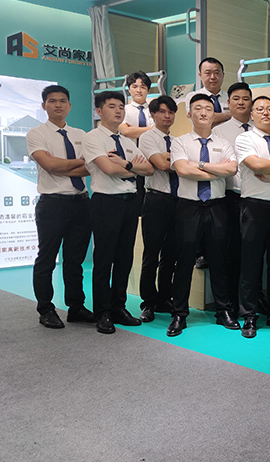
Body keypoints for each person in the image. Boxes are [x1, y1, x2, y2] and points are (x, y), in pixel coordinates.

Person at [166, 93, 238, 337]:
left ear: (214, 114)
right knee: (184, 261)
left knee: (219, 260)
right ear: (189, 114)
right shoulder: (180, 142)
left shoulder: (224, 143)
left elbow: (231, 169)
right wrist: (216, 170)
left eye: (208, 108)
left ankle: (223, 311)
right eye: (198, 108)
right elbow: (182, 170)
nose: (204, 112)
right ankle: (179, 313)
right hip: (188, 207)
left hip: (217, 206)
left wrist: (201, 165)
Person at [82, 91, 154, 334]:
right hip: (106, 202)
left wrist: (127, 164)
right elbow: (108, 169)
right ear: (99, 111)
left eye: (121, 107)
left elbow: (149, 169)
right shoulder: (93, 138)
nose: (118, 110)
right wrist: (134, 170)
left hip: (130, 202)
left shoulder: (127, 142)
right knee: (104, 259)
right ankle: (102, 312)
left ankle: (118, 307)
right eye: (112, 106)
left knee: (124, 258)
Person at [26, 85, 93, 329]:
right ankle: (45, 309)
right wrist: (76, 162)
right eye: (52, 101)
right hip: (52, 204)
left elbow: (91, 167)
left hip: (81, 203)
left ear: (70, 106)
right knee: (46, 259)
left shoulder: (81, 134)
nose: (58, 105)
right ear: (44, 105)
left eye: (63, 101)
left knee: (75, 260)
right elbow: (50, 165)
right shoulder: (36, 133)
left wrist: (64, 165)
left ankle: (76, 307)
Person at [234, 95, 270, 338]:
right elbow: (256, 165)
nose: (265, 112)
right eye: (260, 109)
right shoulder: (245, 138)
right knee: (251, 264)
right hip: (254, 208)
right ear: (252, 114)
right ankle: (249, 315)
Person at [212, 82, 254, 317]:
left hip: (256, 199)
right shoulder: (220, 132)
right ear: (228, 103)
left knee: (252, 253)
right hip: (231, 199)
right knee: (231, 252)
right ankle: (230, 305)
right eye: (236, 98)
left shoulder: (259, 129)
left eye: (245, 98)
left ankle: (251, 301)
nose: (241, 102)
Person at [136, 95, 179, 322]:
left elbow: (180, 163)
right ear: (153, 114)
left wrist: (170, 157)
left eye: (171, 112)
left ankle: (164, 297)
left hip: (177, 201)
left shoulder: (178, 141)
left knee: (170, 254)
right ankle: (148, 302)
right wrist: (176, 160)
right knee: (151, 254)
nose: (167, 116)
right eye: (162, 111)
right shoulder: (147, 138)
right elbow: (163, 165)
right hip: (155, 200)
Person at [180, 57, 232, 127]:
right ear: (200, 76)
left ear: (223, 75)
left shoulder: (230, 98)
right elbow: (202, 118)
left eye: (217, 73)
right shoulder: (193, 96)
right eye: (208, 73)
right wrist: (230, 115)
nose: (213, 77)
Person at [119, 71, 155, 140]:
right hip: (130, 147)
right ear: (129, 90)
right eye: (135, 87)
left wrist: (134, 130)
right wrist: (152, 129)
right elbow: (126, 131)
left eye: (143, 87)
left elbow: (160, 132)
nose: (138, 90)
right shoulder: (123, 110)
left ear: (148, 91)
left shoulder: (154, 110)